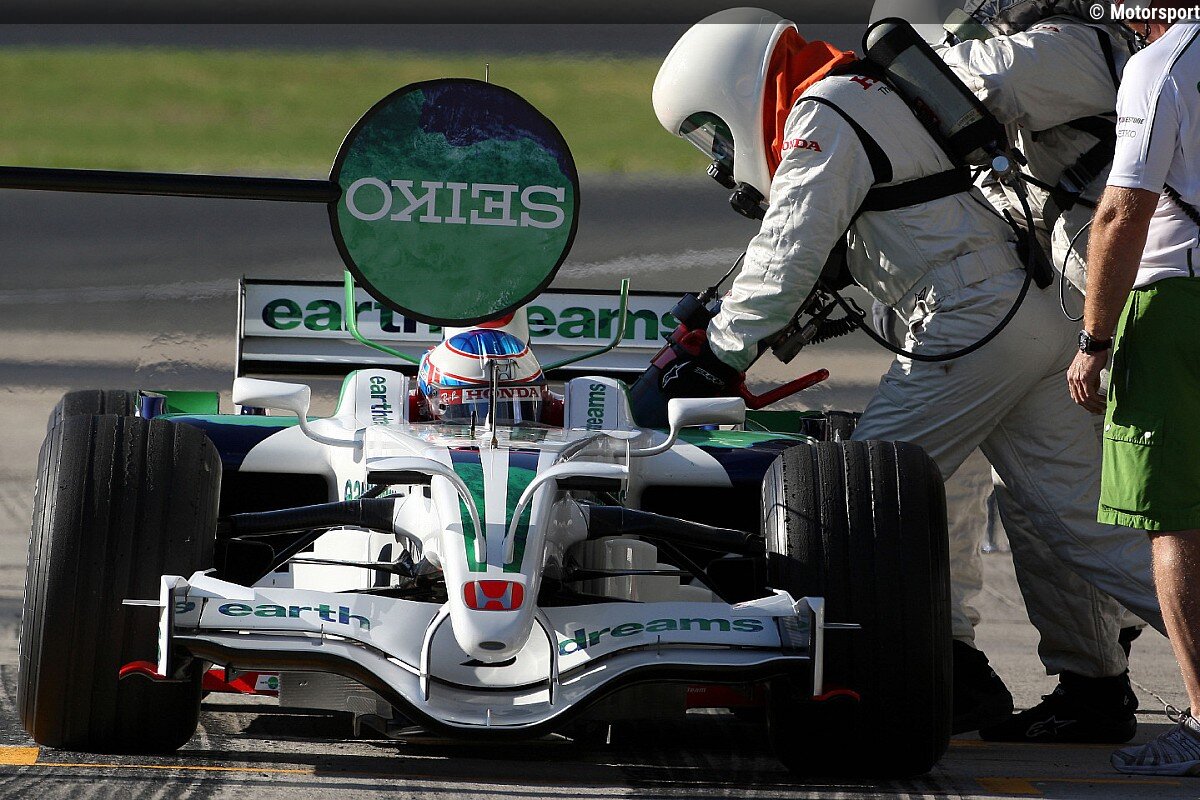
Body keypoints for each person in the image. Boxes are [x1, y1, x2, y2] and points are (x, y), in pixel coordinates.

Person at [635, 6, 1168, 735]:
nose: (721, 157)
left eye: (713, 132)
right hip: (1030, 315)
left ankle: (842, 695)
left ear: (734, 85)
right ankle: (958, 672)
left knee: (842, 513)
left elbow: (784, 256)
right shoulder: (866, 91)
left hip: (970, 324)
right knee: (1103, 535)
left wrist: (716, 356)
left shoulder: (825, 111)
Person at [936, 0, 1151, 742]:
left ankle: (1102, 671)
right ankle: (1093, 684)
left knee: (1115, 509)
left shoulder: (1068, 48)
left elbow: (976, 82)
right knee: (1040, 504)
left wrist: (864, 82)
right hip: (1099, 307)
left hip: (1131, 307)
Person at [1065, 9, 1200, 776]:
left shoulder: (1161, 64)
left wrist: (1095, 340)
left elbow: (1122, 211)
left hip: (1179, 302)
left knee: (1176, 521)